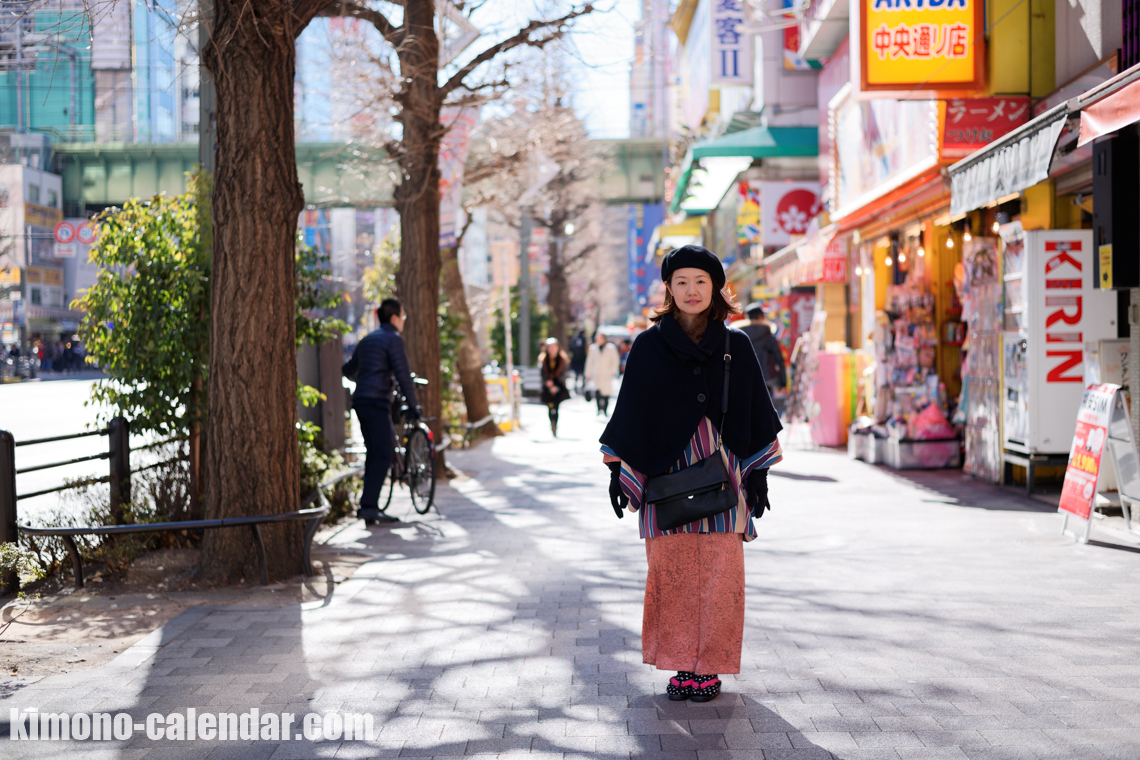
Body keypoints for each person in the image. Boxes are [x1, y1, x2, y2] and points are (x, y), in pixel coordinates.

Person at [599, 244, 782, 704]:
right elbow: (630, 412)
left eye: (700, 281)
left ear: (716, 287)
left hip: (724, 476)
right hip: (664, 476)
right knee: (672, 576)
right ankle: (683, 666)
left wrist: (758, 474)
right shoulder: (647, 345)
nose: (691, 290)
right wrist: (619, 468)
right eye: (681, 281)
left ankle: (711, 668)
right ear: (669, 289)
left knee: (721, 579)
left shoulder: (735, 344)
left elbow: (757, 410)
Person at [342, 298, 421, 524]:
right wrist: (414, 406)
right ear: (395, 318)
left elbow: (348, 369)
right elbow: (403, 375)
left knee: (374, 453)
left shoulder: (368, 339)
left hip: (360, 401)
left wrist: (365, 378)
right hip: (376, 402)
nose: (403, 321)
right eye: (403, 317)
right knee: (384, 453)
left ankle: (369, 506)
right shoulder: (394, 339)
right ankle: (368, 507)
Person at [739, 303, 787, 399]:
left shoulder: (739, 335)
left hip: (745, 378)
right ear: (760, 316)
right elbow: (779, 359)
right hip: (767, 377)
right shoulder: (768, 334)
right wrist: (783, 381)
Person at [539, 337, 571, 437]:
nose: (552, 349)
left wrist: (555, 385)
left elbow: (564, 374)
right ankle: (551, 422)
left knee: (556, 407)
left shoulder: (562, 360)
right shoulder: (543, 360)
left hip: (558, 386)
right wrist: (548, 383)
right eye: (550, 347)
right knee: (549, 406)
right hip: (547, 386)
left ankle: (555, 424)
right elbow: (542, 374)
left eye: (554, 347)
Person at [584, 331, 620, 416]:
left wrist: (612, 370)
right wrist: (587, 374)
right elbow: (589, 362)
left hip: (606, 374)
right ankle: (598, 409)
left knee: (606, 393)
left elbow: (615, 361)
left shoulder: (611, 348)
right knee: (597, 392)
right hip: (596, 374)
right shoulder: (592, 348)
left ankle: (605, 410)